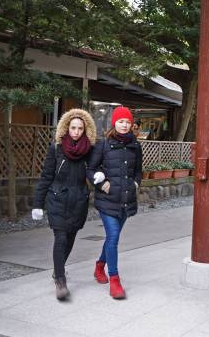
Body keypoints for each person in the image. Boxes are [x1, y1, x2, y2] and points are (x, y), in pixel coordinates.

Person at [31, 108, 97, 301]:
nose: (76, 131)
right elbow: (46, 177)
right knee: (60, 238)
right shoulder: (56, 149)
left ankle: (57, 270)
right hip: (57, 198)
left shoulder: (90, 150)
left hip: (78, 200)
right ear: (66, 128)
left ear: (86, 130)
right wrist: (38, 204)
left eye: (80, 128)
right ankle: (60, 280)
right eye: (73, 127)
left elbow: (94, 171)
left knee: (70, 239)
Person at [87, 106, 142, 299]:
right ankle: (115, 280)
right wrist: (101, 183)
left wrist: (135, 183)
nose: (124, 125)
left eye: (127, 122)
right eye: (121, 121)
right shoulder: (103, 145)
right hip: (107, 200)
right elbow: (90, 169)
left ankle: (99, 266)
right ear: (114, 123)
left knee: (112, 237)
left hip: (126, 200)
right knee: (114, 235)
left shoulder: (136, 146)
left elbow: (138, 171)